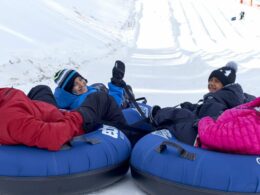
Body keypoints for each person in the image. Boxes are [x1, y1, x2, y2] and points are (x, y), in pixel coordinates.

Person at [150, 61, 255, 145]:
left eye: (217, 81)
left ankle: (155, 117)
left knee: (180, 115)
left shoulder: (215, 97)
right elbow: (215, 108)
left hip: (206, 130)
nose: (211, 84)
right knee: (185, 111)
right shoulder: (236, 95)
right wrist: (193, 106)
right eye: (211, 80)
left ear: (225, 84)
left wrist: (194, 115)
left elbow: (212, 114)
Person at [0, 87, 126, 151]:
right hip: (68, 123)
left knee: (40, 88)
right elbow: (51, 136)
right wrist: (77, 117)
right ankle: (128, 138)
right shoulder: (11, 120)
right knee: (100, 98)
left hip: (43, 112)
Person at [52, 60, 132, 110]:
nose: (81, 84)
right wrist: (116, 83)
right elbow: (112, 105)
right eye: (75, 84)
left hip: (100, 100)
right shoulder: (83, 101)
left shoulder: (76, 95)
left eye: (80, 79)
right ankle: (126, 101)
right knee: (126, 90)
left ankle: (123, 95)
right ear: (69, 91)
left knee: (99, 86)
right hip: (113, 110)